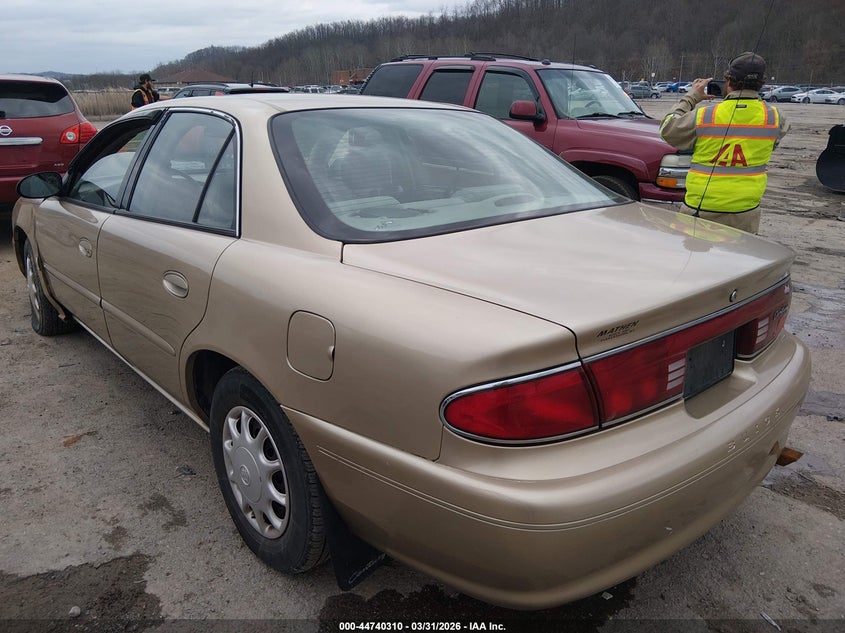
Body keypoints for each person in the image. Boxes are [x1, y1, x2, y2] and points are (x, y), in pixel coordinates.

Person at [659, 52, 788, 234]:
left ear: (728, 82)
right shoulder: (775, 117)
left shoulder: (705, 116)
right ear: (761, 84)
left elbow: (667, 129)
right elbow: (772, 142)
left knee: (696, 260)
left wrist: (691, 97)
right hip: (745, 211)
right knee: (739, 259)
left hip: (700, 208)